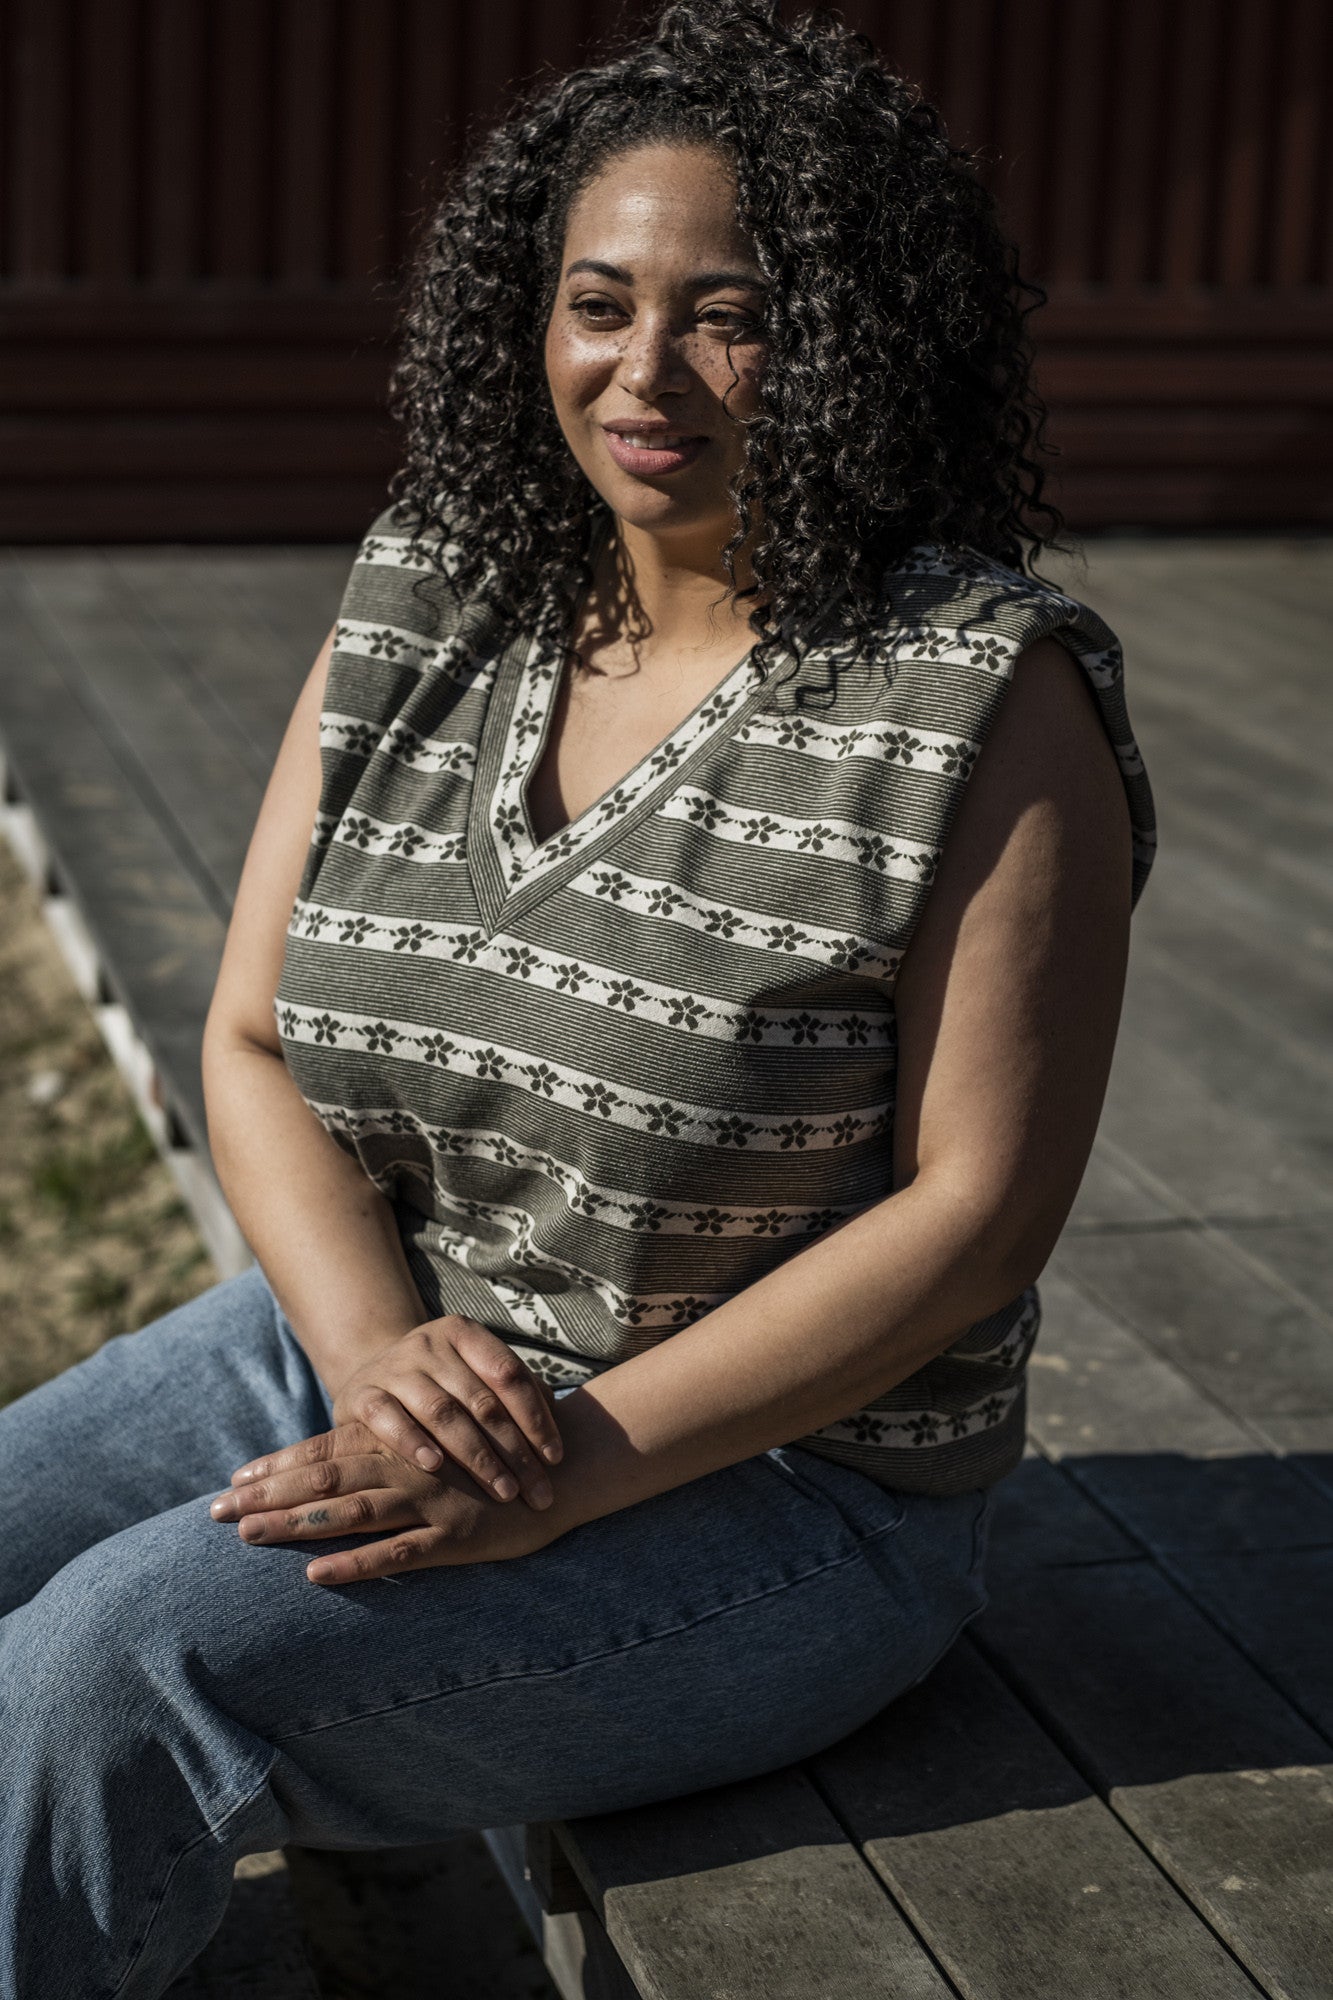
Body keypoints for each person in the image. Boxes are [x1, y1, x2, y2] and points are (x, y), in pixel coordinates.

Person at [0, 3, 1157, 1994]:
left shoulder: (984, 693)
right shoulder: (440, 581)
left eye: (730, 318)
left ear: (858, 338)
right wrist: (379, 1357)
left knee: (116, 1665)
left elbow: (974, 1219)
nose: (644, 372)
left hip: (777, 1487)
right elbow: (253, 1037)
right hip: (395, 1338)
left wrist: (566, 1471)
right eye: (597, 304)